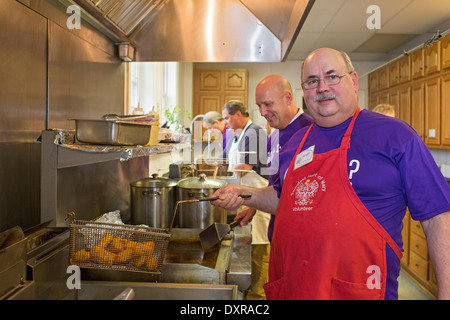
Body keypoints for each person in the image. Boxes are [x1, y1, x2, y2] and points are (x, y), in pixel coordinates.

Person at [211, 48, 450, 300]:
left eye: (332, 76)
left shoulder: (395, 136)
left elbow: (437, 216)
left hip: (358, 291)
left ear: (354, 81)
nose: (322, 87)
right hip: (295, 288)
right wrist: (244, 193)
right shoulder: (296, 142)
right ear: (304, 91)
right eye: (312, 81)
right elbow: (285, 199)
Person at [222, 100, 270, 300]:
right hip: (246, 196)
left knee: (260, 247)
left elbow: (244, 167)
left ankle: (259, 296)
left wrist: (220, 181)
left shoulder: (255, 132)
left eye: (227, 118)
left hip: (260, 195)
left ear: (238, 115)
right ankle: (253, 291)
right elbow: (227, 161)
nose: (225, 123)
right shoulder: (237, 135)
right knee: (250, 246)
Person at [255, 75, 313, 241]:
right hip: (278, 233)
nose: (262, 112)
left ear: (288, 98)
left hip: (301, 238)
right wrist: (254, 206)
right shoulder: (273, 136)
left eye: (267, 104)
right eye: (259, 106)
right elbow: (273, 183)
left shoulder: (310, 131)